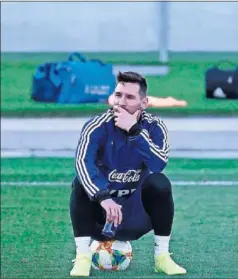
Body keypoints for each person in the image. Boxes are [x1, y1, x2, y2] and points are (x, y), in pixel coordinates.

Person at [69, 71, 186, 277]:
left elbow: (158, 164)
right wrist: (103, 197)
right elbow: (82, 163)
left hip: (135, 217)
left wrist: (134, 130)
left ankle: (162, 257)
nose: (121, 102)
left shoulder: (155, 127)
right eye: (118, 95)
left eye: (130, 97)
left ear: (144, 103)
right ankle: (82, 258)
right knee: (80, 183)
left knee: (160, 183)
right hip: (99, 216)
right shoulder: (96, 126)